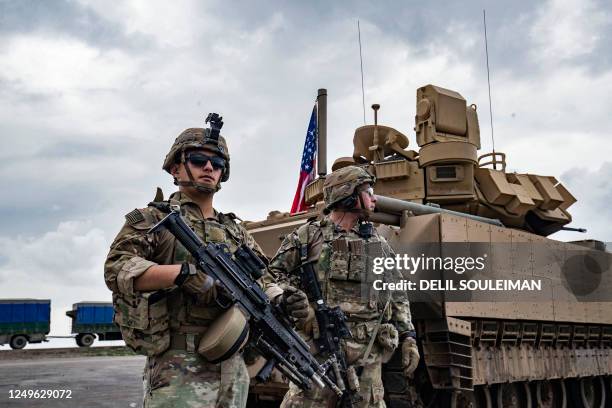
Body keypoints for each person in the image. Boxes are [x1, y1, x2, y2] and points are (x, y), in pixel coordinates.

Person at [104, 117, 308, 408]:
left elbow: (263, 279)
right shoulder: (153, 219)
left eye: (218, 163)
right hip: (178, 363)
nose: (210, 167)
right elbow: (117, 268)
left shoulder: (234, 230)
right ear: (176, 168)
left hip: (233, 365)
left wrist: (281, 298)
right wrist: (182, 273)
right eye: (199, 160)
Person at [269, 165, 420, 408]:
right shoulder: (308, 237)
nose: (374, 198)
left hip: (367, 354)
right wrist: (295, 304)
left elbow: (396, 292)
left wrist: (408, 336)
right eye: (368, 191)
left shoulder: (377, 243)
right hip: (319, 350)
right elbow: (272, 275)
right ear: (347, 195)